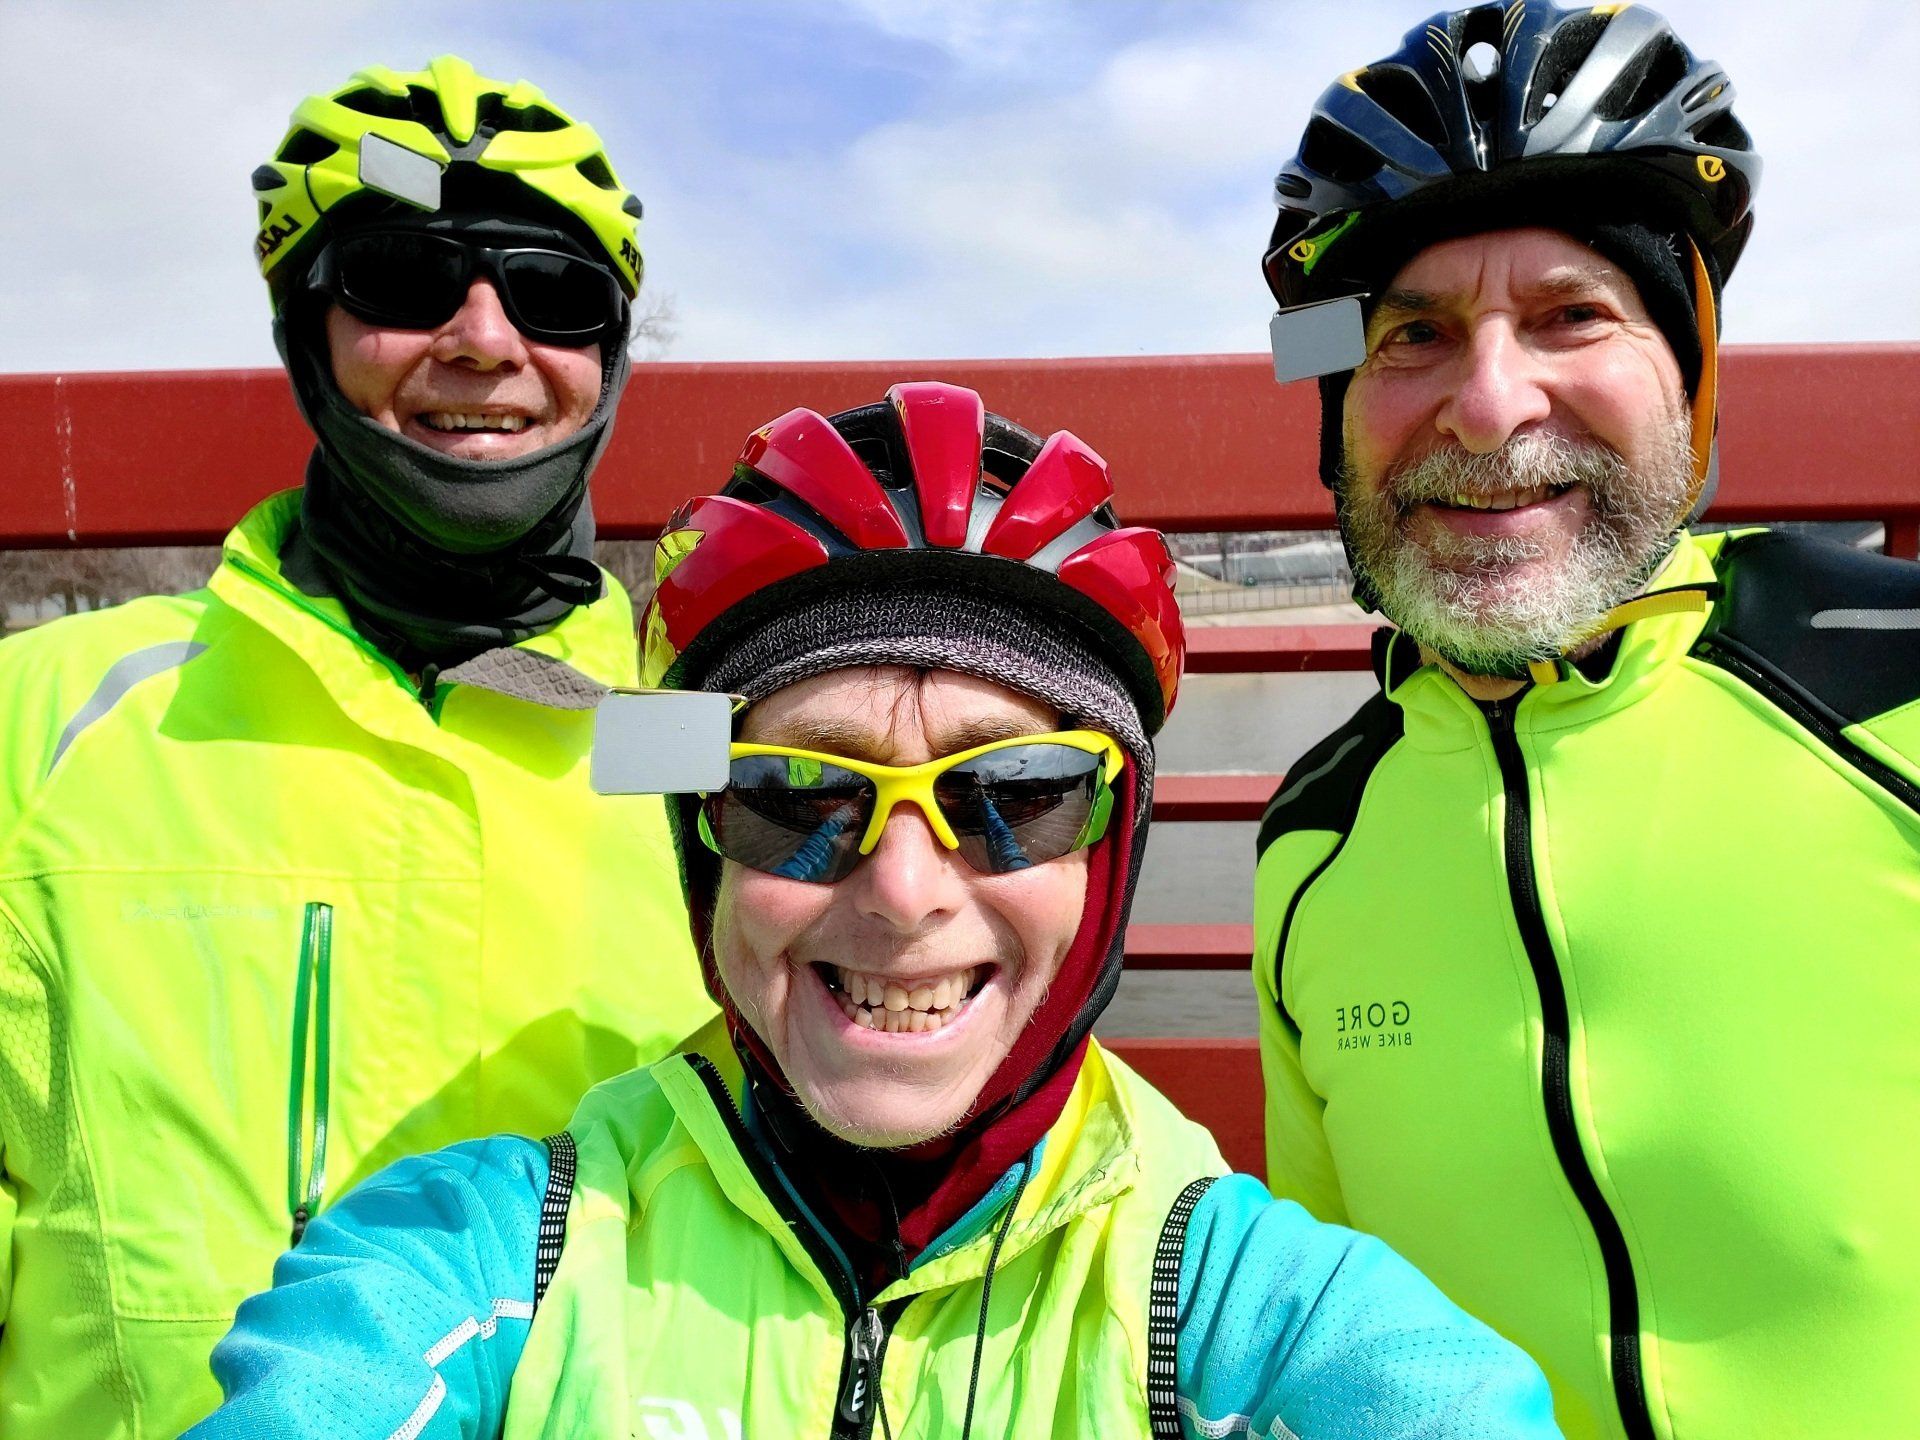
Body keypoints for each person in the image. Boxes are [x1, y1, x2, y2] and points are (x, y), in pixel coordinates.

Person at [186, 383, 1560, 1439]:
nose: (905, 890)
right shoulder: (489, 1257)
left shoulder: (1230, 1304)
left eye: (1013, 791)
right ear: (699, 838)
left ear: (1114, 842)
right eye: (797, 792)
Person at [0, 57, 711, 1436]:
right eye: (401, 277)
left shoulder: (707, 743)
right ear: (303, 334)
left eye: (555, 294)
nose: (485, 338)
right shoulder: (48, 718)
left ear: (608, 356)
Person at [1252, 4, 1920, 1437]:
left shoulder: (1899, 690)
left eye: (1572, 315)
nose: (1489, 409)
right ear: (1338, 410)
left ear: (1693, 373)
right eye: (1412, 335)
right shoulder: (1311, 838)